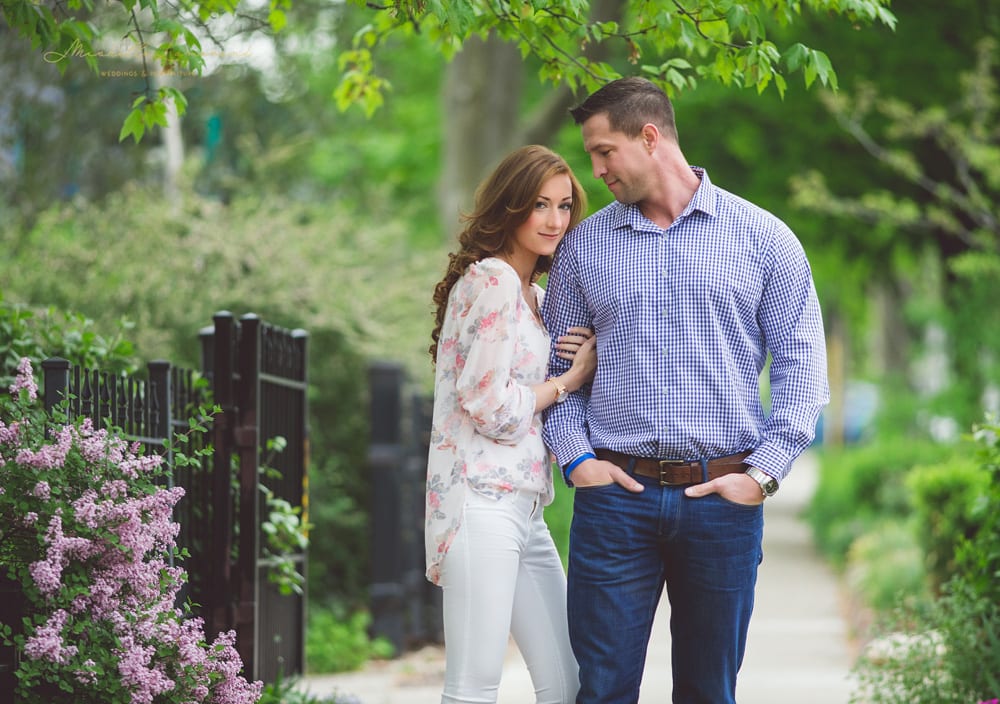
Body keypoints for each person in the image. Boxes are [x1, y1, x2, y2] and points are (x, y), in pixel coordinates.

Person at [541, 77, 830, 704]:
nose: (595, 170)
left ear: (649, 136)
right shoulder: (582, 250)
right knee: (603, 691)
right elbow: (552, 377)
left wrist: (762, 477)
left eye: (603, 151)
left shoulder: (766, 239)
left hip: (722, 502)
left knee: (708, 691)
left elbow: (804, 375)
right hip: (615, 499)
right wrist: (578, 461)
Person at [426, 144, 597, 704]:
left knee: (570, 684)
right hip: (480, 502)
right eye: (539, 205)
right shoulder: (494, 279)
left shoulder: (537, 296)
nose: (554, 220)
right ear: (511, 208)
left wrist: (575, 362)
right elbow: (490, 407)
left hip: (525, 507)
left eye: (565, 206)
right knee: (474, 687)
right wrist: (565, 382)